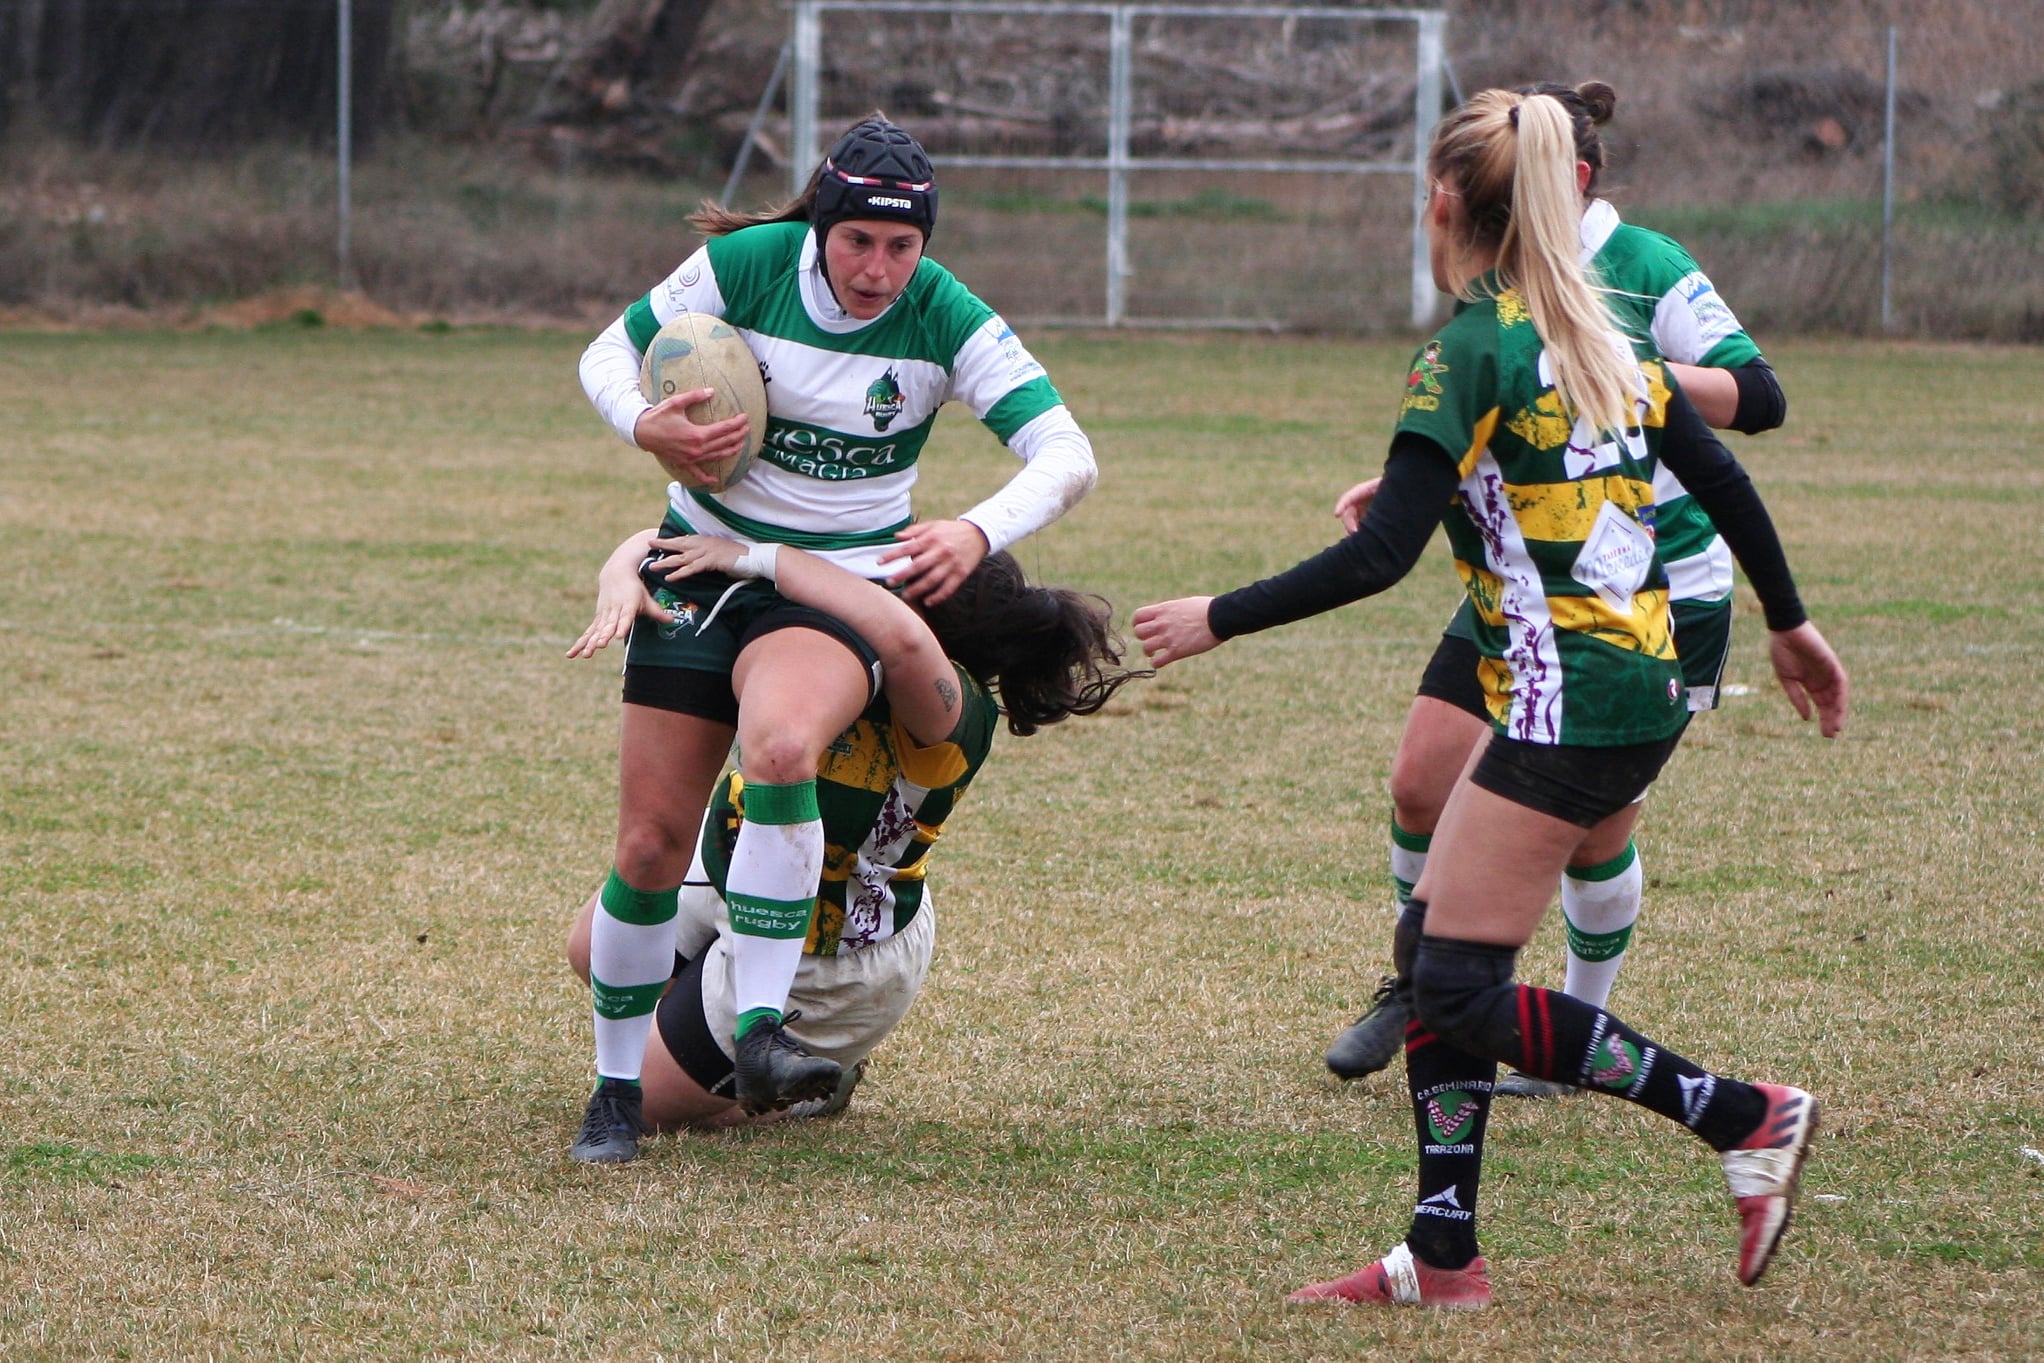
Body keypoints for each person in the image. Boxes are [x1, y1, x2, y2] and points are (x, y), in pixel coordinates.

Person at [1133, 88, 1847, 1307]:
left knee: (1458, 982)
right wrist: (1788, 620)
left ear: (1447, 206)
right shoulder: (1582, 332)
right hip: (1622, 678)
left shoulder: (1471, 345)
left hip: (1576, 699)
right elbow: (1716, 475)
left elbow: (1375, 559)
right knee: (1433, 958)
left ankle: (1745, 1117)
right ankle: (1442, 1253)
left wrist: (1218, 616)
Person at [569, 113, 1099, 1161]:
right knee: (645, 848)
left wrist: (975, 526)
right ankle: (613, 1094)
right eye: (859, 240)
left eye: (903, 246)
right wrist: (644, 425)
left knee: (779, 747)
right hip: (695, 567)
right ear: (822, 222)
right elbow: (605, 352)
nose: (878, 267)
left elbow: (1066, 452)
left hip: (828, 595)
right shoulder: (747, 264)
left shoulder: (946, 317)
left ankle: (762, 1029)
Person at [1322, 79, 1792, 1097]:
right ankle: (1424, 981)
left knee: (1594, 830)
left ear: (1572, 178)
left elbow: (1760, 398)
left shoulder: (1641, 266)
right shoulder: (1493, 277)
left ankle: (1572, 1022)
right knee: (1419, 774)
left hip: (1647, 589)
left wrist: (1629, 368)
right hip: (1524, 572)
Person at [564, 529, 1140, 1139]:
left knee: (650, 1107)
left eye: (888, 574)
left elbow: (901, 635)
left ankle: (811, 1072)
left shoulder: (952, 707)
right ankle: (715, 1020)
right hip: (731, 872)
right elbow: (693, 535)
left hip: (834, 951)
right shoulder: (833, 634)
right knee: (594, 948)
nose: (859, 572)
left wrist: (762, 558)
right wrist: (622, 567)